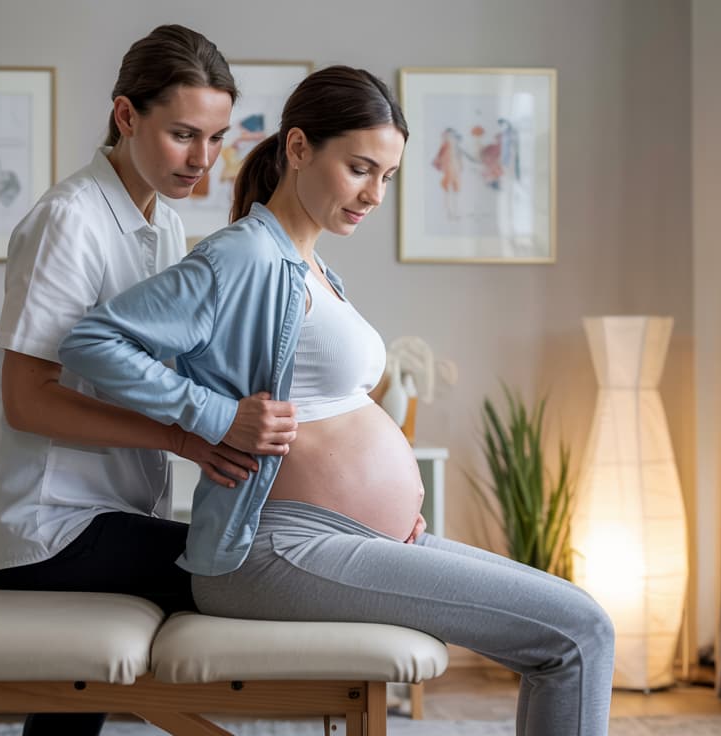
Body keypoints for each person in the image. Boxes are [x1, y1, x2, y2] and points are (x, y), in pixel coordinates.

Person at [60, 65, 616, 736]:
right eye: (360, 168)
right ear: (298, 149)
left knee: (577, 627)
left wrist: (384, 516)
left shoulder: (313, 264)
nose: (375, 194)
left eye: (387, 177)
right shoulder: (244, 257)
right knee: (577, 633)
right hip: (274, 549)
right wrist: (214, 419)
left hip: (342, 539)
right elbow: (94, 342)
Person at [0, 24, 297, 736]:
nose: (202, 159)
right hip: (45, 529)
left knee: (78, 694)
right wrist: (190, 435)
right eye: (182, 135)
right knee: (245, 571)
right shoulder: (69, 220)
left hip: (109, 518)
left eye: (215, 138)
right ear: (126, 116)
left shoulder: (167, 228)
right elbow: (26, 400)